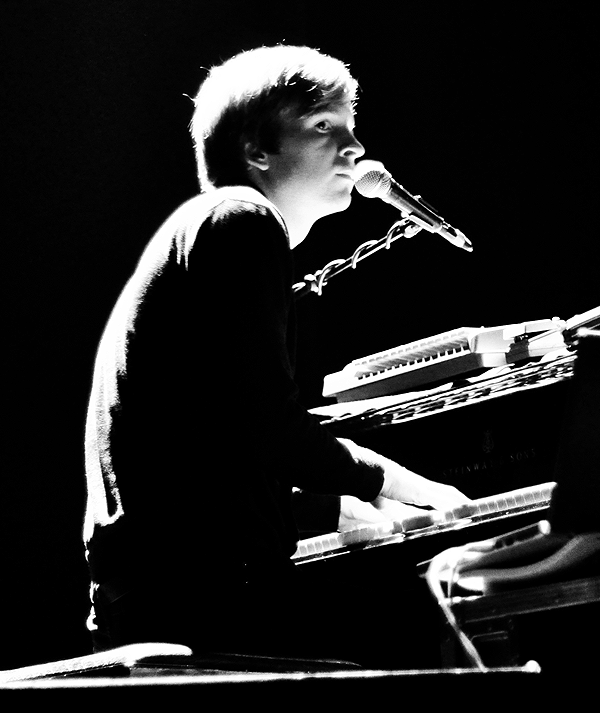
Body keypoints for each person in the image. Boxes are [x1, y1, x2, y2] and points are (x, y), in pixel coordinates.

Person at [83, 45, 469, 663]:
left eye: (350, 128)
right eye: (323, 126)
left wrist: (334, 506)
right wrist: (408, 485)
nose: (354, 148)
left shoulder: (209, 229)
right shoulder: (242, 218)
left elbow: (209, 444)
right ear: (256, 151)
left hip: (161, 586)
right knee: (426, 639)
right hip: (199, 594)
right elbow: (268, 423)